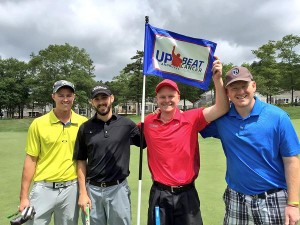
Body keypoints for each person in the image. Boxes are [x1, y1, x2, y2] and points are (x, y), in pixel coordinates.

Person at [200, 66, 300, 225]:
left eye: (244, 86)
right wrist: (165, 113)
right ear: (227, 93)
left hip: (272, 199)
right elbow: (191, 123)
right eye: (234, 88)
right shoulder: (221, 119)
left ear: (253, 86)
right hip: (236, 198)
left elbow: (292, 161)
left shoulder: (278, 117)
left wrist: (293, 204)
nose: (240, 92)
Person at [142, 57, 229, 225]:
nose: (167, 100)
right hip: (159, 194)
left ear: (178, 96)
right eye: (162, 97)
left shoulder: (192, 117)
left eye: (171, 96)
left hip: (187, 194)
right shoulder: (148, 122)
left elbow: (222, 108)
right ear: (156, 99)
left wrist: (217, 80)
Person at [73, 84, 145, 225]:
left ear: (112, 98)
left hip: (118, 190)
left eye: (104, 97)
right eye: (97, 99)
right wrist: (82, 192)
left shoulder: (127, 125)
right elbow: (81, 161)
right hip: (92, 191)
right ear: (92, 102)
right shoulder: (85, 128)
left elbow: (145, 143)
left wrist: (150, 120)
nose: (101, 102)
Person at [18, 80, 88, 225]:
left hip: (71, 189)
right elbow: (31, 160)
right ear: (53, 96)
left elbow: (84, 160)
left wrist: (83, 192)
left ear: (74, 97)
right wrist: (24, 197)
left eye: (69, 95)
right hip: (43, 188)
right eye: (61, 95)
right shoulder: (38, 123)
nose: (65, 99)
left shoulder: (84, 123)